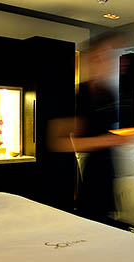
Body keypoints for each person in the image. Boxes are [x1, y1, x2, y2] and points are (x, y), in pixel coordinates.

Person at [49, 33, 128, 221]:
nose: (109, 63)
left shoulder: (107, 94)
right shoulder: (78, 96)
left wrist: (120, 139)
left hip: (108, 170)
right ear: (91, 59)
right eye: (102, 57)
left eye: (111, 57)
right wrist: (105, 141)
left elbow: (109, 132)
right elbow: (57, 142)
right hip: (84, 172)